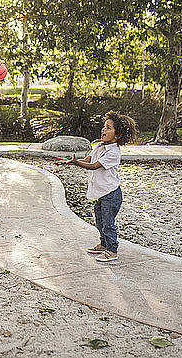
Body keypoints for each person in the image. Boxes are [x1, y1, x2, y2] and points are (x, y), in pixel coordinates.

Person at [56, 111, 137, 262]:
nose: (103, 130)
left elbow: (93, 166)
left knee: (108, 223)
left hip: (110, 194)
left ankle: (112, 250)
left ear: (117, 135)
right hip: (100, 193)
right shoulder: (99, 146)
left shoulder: (113, 153)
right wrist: (72, 161)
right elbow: (88, 159)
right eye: (104, 127)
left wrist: (77, 163)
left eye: (108, 128)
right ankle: (104, 244)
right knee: (99, 221)